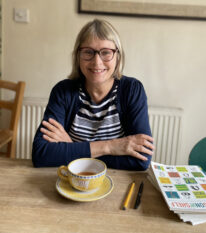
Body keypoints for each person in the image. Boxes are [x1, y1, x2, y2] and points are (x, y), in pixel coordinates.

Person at [32, 19, 154, 170]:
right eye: (88, 52)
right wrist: (111, 147)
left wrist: (72, 148)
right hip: (73, 182)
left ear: (118, 56)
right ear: (78, 56)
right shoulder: (63, 91)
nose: (97, 62)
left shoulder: (132, 90)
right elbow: (41, 154)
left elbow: (141, 160)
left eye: (106, 53)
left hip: (117, 183)